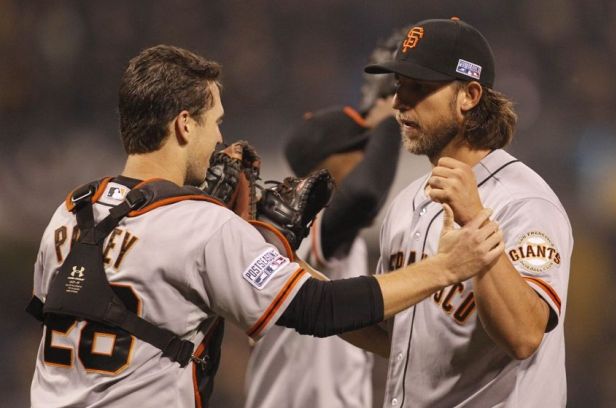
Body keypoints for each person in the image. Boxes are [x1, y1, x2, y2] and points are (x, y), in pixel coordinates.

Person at [28, 44, 505, 408]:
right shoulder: (199, 225)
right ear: (183, 125)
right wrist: (446, 267)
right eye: (214, 120)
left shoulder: (70, 210)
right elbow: (318, 308)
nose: (220, 136)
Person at [362, 17, 573, 407]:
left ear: (470, 95)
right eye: (398, 86)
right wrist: (298, 282)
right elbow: (397, 334)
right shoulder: (406, 203)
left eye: (419, 87)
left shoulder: (525, 202)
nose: (398, 102)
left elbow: (525, 336)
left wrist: (475, 220)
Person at [244, 27, 407, 408]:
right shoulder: (299, 227)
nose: (370, 157)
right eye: (361, 149)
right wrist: (389, 118)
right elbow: (365, 194)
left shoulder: (289, 223)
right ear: (331, 162)